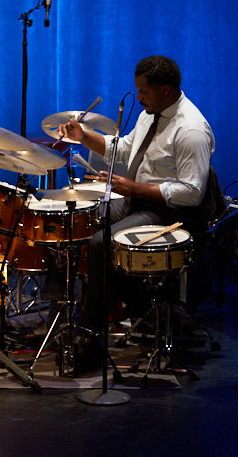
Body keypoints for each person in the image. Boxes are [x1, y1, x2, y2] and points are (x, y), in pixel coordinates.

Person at [58, 55, 215, 326]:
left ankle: (93, 326)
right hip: (139, 201)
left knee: (101, 243)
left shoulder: (190, 129)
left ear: (165, 90)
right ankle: (136, 306)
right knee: (81, 219)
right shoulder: (149, 115)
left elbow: (192, 193)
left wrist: (133, 187)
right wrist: (83, 136)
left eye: (144, 91)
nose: (139, 97)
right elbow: (126, 148)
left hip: (169, 213)